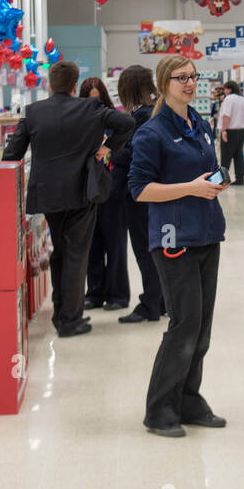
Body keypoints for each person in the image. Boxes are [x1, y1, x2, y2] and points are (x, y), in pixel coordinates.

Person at [129, 56, 229, 436]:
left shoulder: (198, 122)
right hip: (173, 238)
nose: (189, 83)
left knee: (201, 327)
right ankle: (159, 408)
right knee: (184, 324)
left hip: (206, 232)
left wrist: (213, 184)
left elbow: (203, 169)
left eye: (193, 77)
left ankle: (189, 400)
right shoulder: (152, 133)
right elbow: (140, 189)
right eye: (181, 78)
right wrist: (190, 188)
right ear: (164, 83)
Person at [2, 61, 135, 338]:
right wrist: (105, 149)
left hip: (46, 193)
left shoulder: (33, 112)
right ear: (76, 86)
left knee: (60, 252)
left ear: (50, 84)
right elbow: (127, 123)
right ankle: (70, 320)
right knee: (76, 253)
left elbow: (11, 154)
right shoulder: (91, 108)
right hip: (81, 190)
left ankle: (61, 312)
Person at [112, 65, 167, 324]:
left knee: (145, 249)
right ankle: (163, 300)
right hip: (160, 191)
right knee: (157, 247)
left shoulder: (139, 118)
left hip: (140, 193)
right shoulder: (160, 113)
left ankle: (150, 304)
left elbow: (134, 155)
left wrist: (110, 152)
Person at [79, 77, 129, 312]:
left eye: (97, 100)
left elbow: (127, 148)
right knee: (92, 245)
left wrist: (108, 149)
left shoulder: (115, 120)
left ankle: (118, 294)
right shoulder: (78, 121)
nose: (93, 105)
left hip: (114, 188)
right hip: (88, 190)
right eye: (89, 100)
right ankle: (95, 292)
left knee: (116, 244)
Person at [216, 81, 244, 185]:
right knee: (239, 155)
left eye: (225, 88)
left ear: (229, 89)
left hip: (230, 131)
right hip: (241, 131)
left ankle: (223, 179)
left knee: (226, 156)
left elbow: (226, 115)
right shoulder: (242, 99)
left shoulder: (229, 99)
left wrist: (224, 130)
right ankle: (240, 179)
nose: (224, 91)